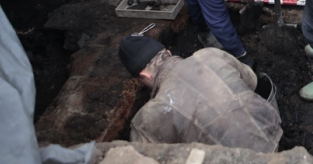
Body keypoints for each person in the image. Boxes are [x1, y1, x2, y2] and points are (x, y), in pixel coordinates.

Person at [118, 36, 282, 151]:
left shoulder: (152, 114)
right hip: (273, 134)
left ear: (145, 76)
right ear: (168, 53)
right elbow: (253, 82)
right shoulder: (211, 54)